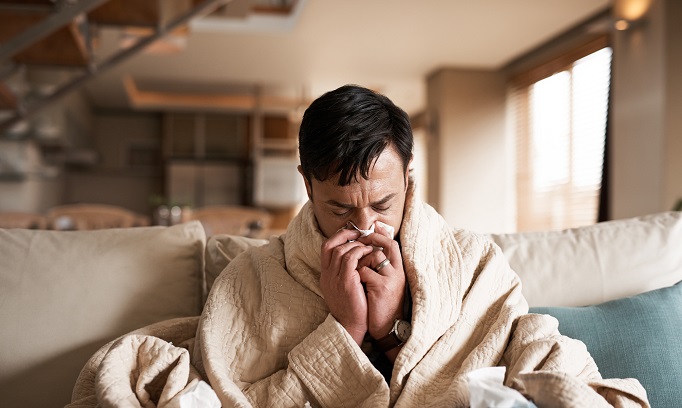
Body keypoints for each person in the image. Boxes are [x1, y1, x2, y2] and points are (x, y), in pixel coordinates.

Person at [70, 85, 649, 407]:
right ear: (307, 186)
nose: (367, 225)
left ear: (409, 180)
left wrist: (394, 327)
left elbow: (504, 369)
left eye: (383, 204)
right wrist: (343, 331)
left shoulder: (474, 262)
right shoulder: (251, 279)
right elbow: (236, 399)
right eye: (341, 209)